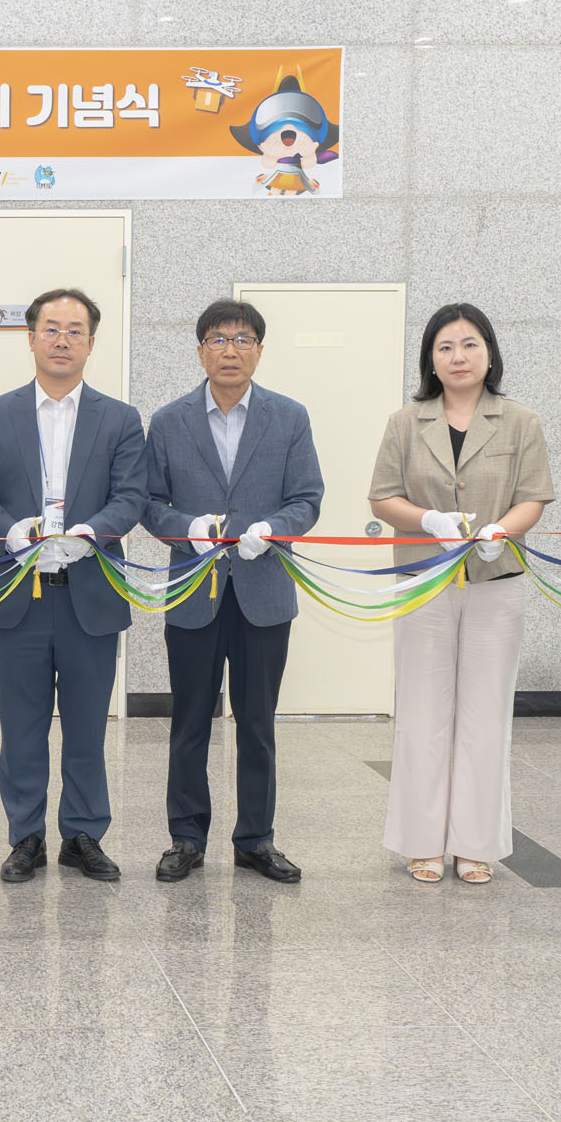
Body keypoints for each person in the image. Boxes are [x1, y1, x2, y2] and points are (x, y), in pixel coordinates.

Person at [0, 289, 146, 882]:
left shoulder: (120, 419)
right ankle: (26, 837)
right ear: (31, 337)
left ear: (91, 342)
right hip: (21, 594)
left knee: (88, 727)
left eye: (75, 330)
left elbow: (131, 496)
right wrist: (9, 531)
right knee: (22, 727)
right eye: (51, 328)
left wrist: (95, 531)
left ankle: (83, 835)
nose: (62, 340)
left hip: (92, 592)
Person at [369, 304, 554, 885]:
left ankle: (476, 844)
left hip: (496, 582)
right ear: (430, 358)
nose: (458, 357)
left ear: (490, 354)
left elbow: (533, 496)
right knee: (422, 711)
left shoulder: (520, 421)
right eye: (445, 346)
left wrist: (503, 531)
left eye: (470, 344)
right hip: (423, 581)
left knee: (485, 714)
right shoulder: (406, 422)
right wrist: (427, 520)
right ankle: (422, 841)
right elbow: (382, 497)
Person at [140, 298, 323, 884]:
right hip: (193, 593)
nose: (230, 350)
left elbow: (308, 499)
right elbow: (148, 502)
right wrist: (185, 528)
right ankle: (186, 838)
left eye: (243, 339)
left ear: (259, 351)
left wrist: (275, 529)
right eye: (218, 339)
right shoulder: (169, 420)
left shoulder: (288, 417)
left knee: (258, 724)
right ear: (200, 351)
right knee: (190, 722)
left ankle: (256, 840)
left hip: (263, 594)